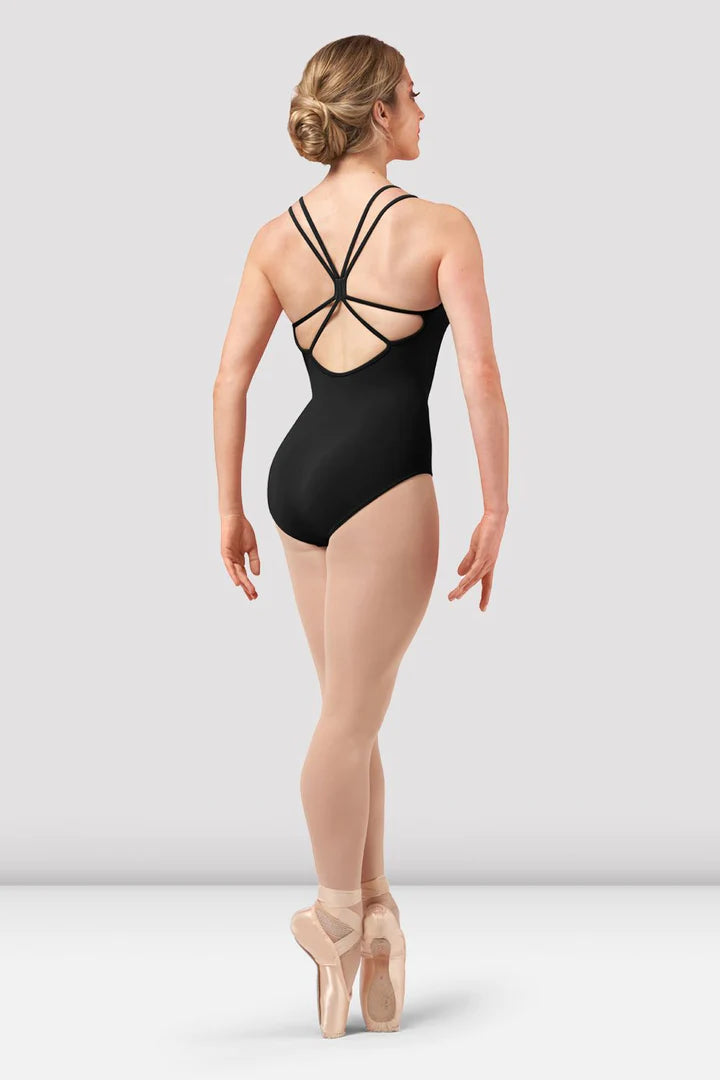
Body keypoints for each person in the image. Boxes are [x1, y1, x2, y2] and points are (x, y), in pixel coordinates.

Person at [212, 34, 509, 1038]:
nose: (424, 112)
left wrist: (229, 506)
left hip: (295, 480)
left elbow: (228, 380)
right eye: (414, 96)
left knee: (355, 711)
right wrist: (497, 506)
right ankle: (336, 914)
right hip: (385, 481)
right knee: (347, 720)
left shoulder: (276, 235)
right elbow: (478, 376)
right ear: (378, 112)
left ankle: (377, 920)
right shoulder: (441, 226)